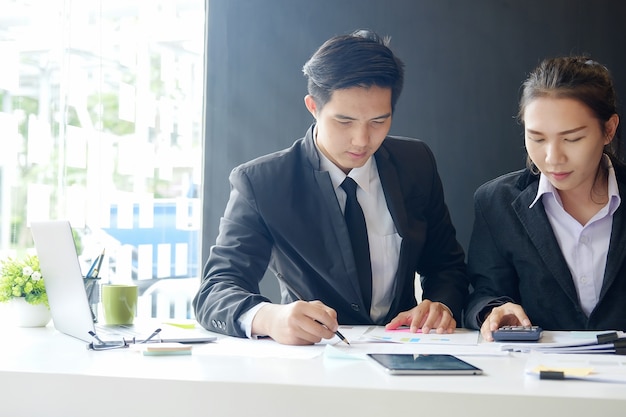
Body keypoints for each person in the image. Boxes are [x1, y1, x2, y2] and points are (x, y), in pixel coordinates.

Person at [193, 29, 468, 345]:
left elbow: (447, 266)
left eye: (379, 121)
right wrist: (270, 317)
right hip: (314, 359)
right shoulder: (262, 183)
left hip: (403, 355)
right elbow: (215, 291)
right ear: (313, 107)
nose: (362, 140)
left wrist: (440, 305)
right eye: (344, 121)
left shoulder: (415, 163)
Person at [464, 56, 626, 341]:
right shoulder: (496, 202)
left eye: (572, 139)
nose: (552, 158)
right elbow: (484, 293)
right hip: (538, 374)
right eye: (537, 138)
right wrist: (495, 310)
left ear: (609, 130)